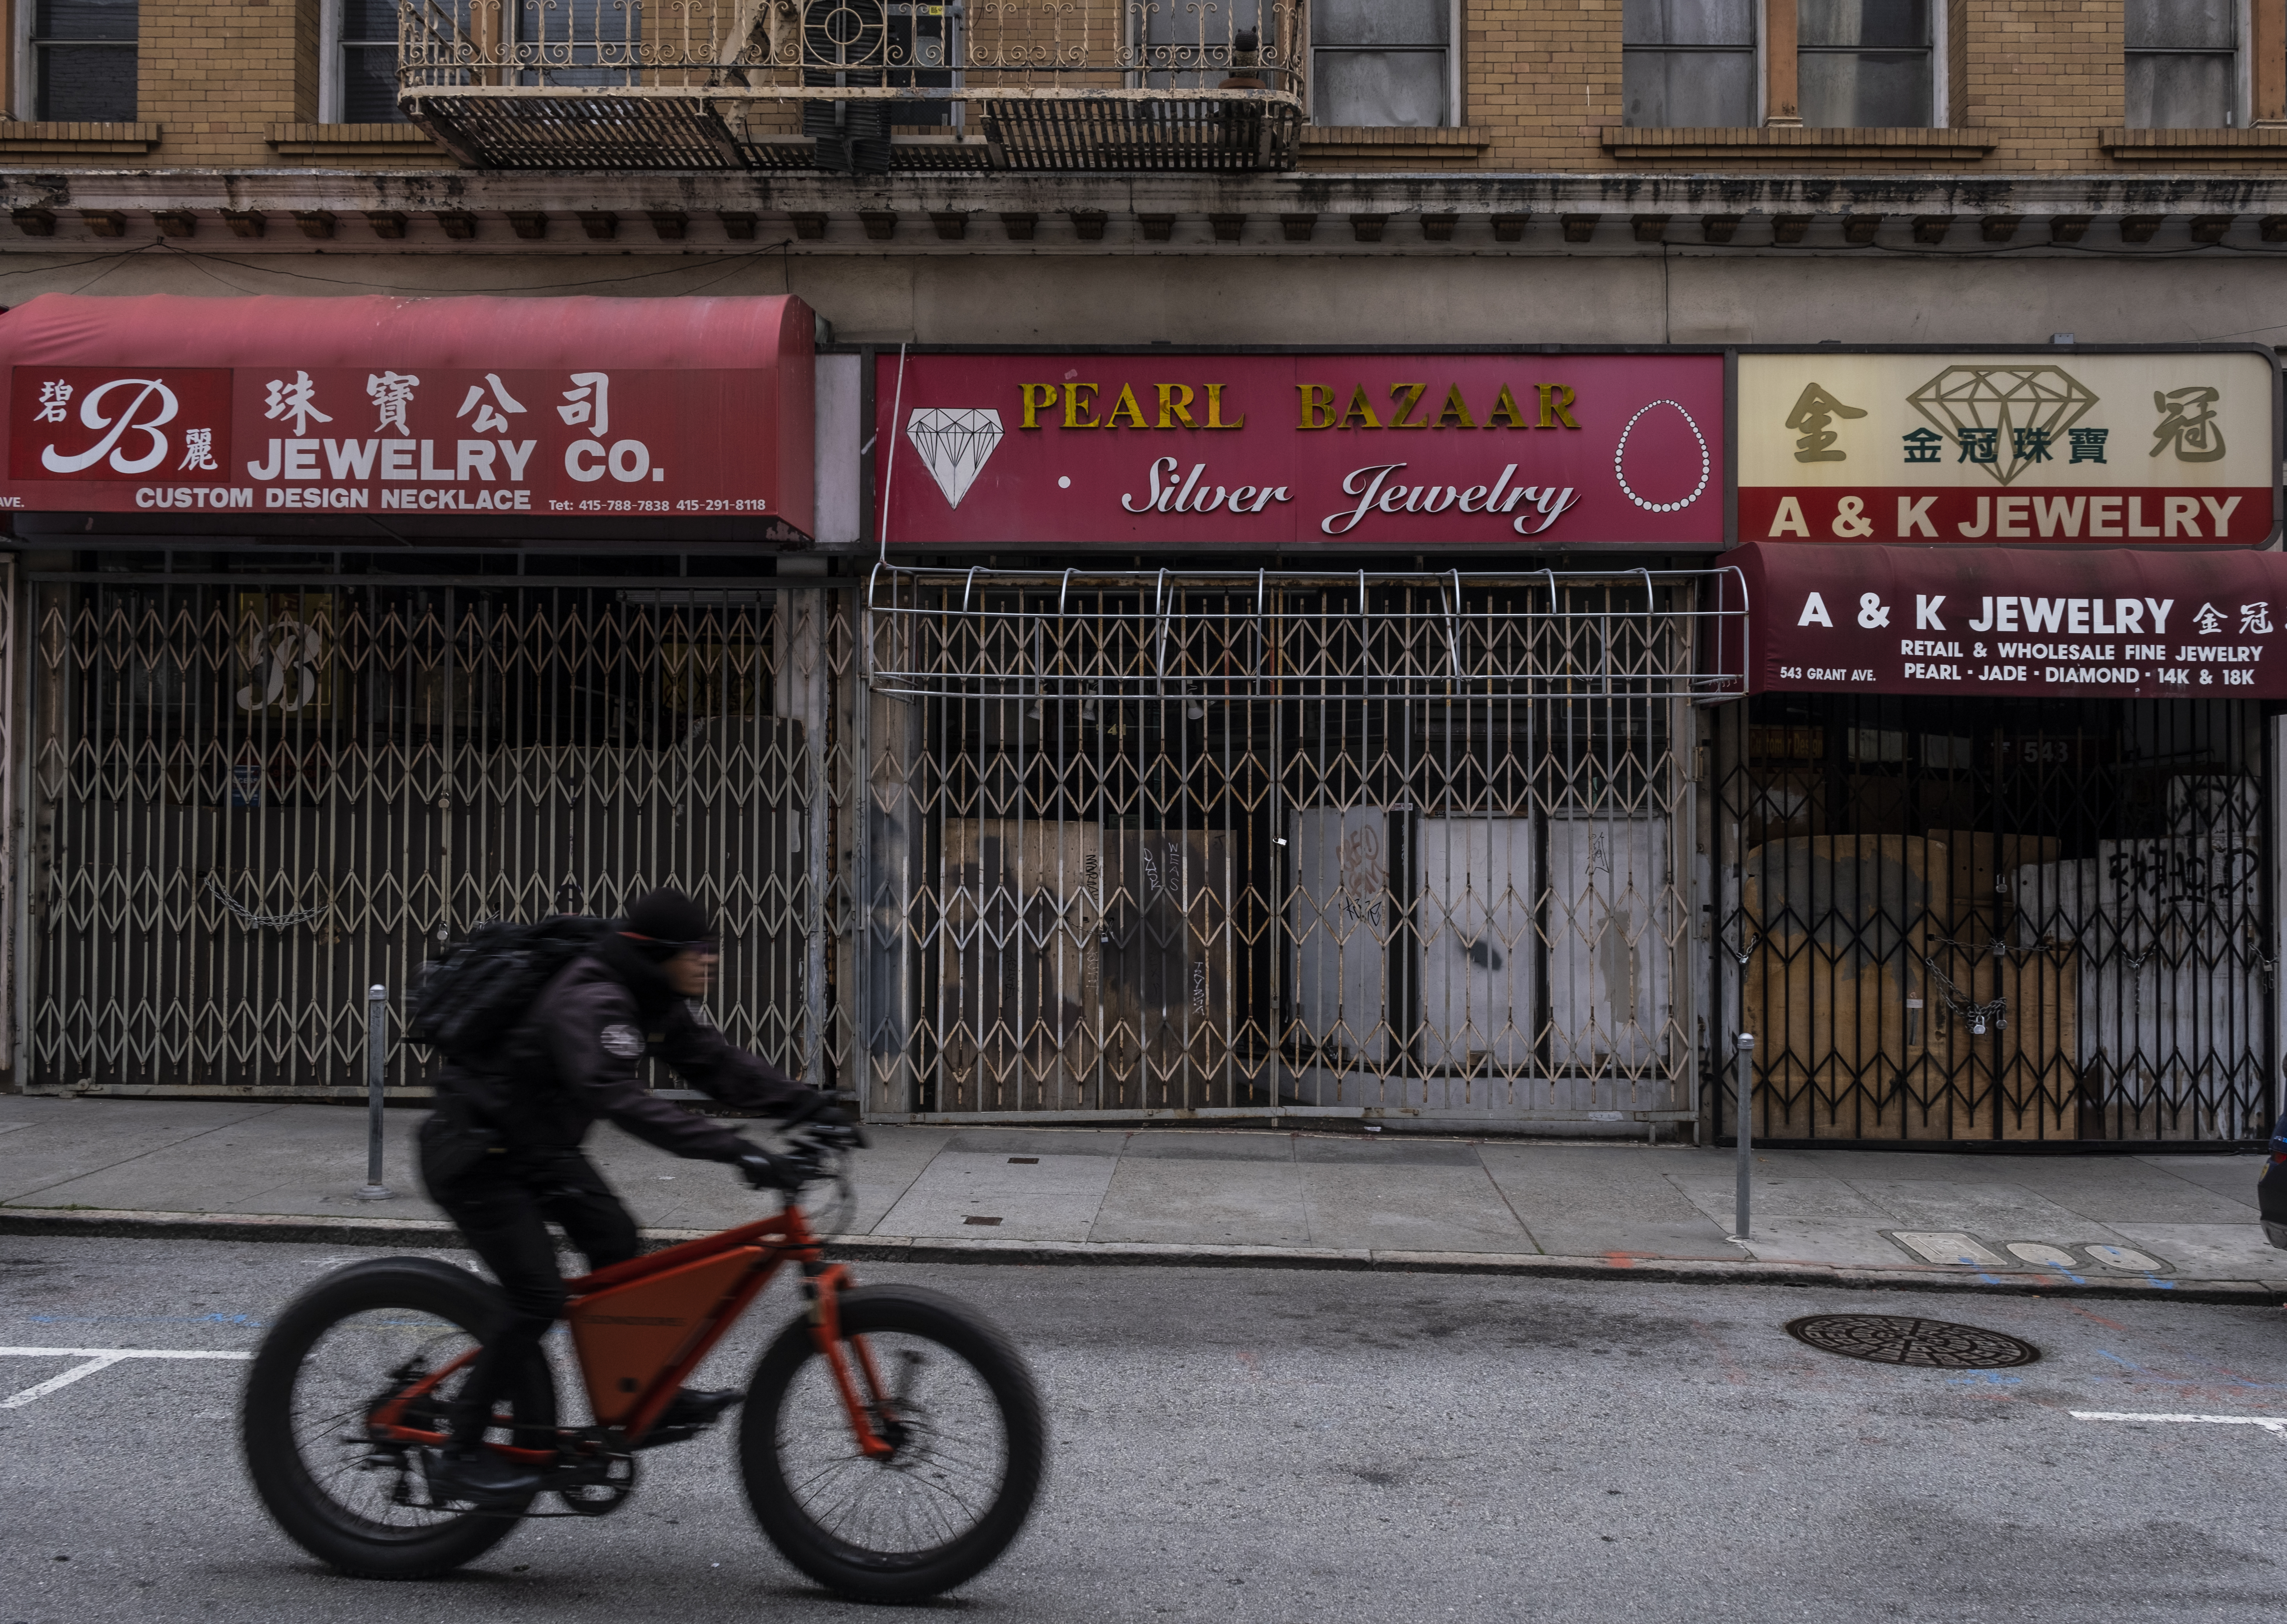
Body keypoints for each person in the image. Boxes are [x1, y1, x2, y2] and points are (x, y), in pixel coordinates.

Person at [417, 887, 836, 1506]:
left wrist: (807, 1104)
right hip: (478, 1157)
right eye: (698, 950)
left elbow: (714, 1064)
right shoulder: (593, 997)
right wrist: (737, 1150)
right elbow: (618, 1098)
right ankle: (459, 1451)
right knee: (537, 1295)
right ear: (660, 952)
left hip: (532, 1148)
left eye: (711, 949)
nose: (708, 962)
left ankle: (639, 1394)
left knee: (615, 1239)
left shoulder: (650, 993)